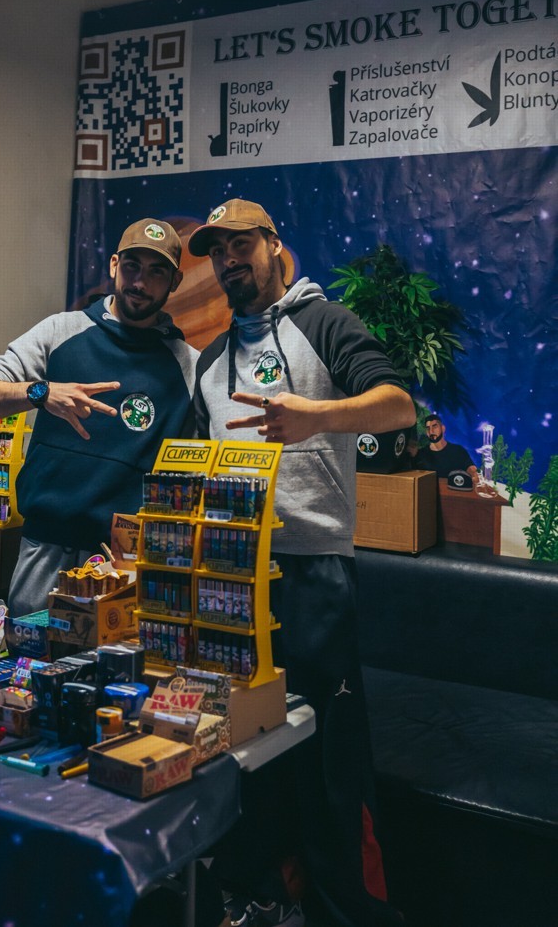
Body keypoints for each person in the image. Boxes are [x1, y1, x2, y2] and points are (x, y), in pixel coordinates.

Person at [188, 198, 414, 927]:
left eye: (241, 244)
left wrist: (318, 416)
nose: (228, 260)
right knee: (243, 747)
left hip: (314, 573)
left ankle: (344, 909)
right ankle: (259, 893)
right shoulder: (210, 360)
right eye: (217, 250)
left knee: (327, 756)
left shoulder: (325, 323)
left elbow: (398, 406)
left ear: (273, 246)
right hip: (232, 577)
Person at [0, 219, 197, 616]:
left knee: (115, 660)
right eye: (132, 266)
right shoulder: (61, 331)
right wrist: (41, 392)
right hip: (43, 551)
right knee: (29, 652)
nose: (140, 282)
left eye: (157, 271)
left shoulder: (190, 368)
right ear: (114, 265)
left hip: (125, 564)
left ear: (175, 281)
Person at [413, 413, 479, 484]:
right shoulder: (421, 454)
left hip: (454, 490)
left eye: (435, 427)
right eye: (428, 428)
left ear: (443, 428)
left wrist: (473, 474)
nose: (431, 431)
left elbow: (470, 468)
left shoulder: (458, 451)